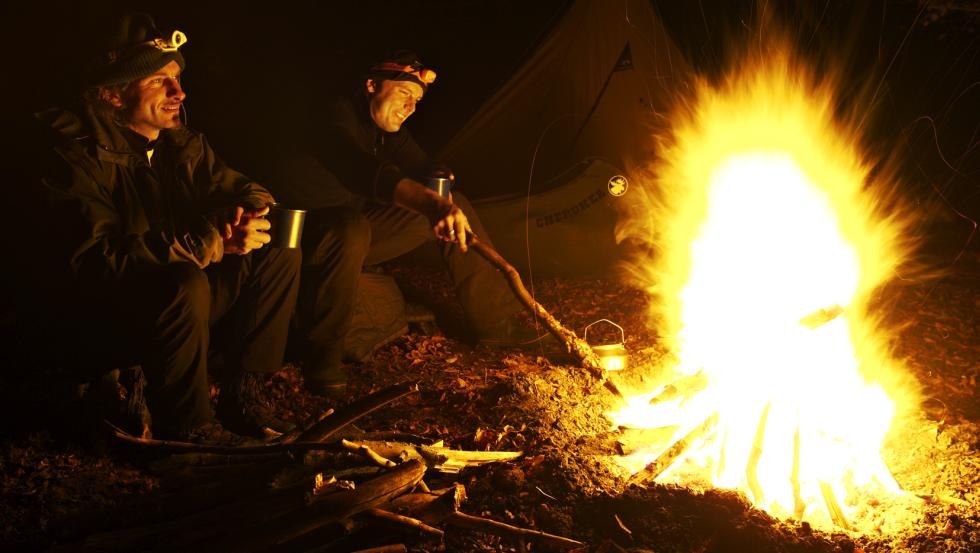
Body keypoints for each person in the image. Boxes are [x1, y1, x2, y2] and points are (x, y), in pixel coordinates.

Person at [7, 14, 301, 442]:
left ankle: (245, 394)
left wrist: (247, 216)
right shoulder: (73, 159)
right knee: (183, 280)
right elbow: (93, 261)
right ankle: (188, 430)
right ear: (112, 93)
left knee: (274, 249)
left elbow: (249, 190)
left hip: (176, 311)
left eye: (177, 78)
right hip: (96, 322)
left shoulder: (180, 145)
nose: (178, 93)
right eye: (157, 81)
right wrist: (207, 241)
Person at [272, 51, 545, 399]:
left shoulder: (384, 131)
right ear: (372, 85)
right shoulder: (333, 116)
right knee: (353, 226)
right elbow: (360, 169)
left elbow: (423, 166)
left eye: (416, 100)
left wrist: (439, 186)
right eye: (404, 94)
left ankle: (496, 322)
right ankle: (322, 359)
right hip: (304, 236)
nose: (411, 107)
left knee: (453, 203)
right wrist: (429, 202)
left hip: (357, 232)